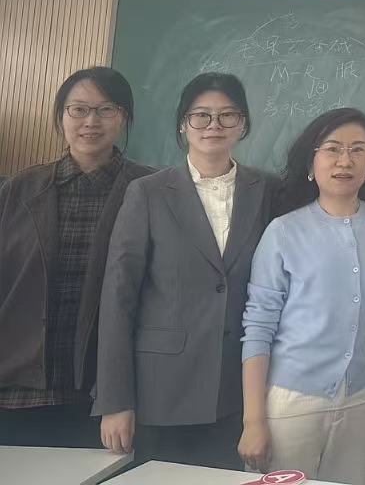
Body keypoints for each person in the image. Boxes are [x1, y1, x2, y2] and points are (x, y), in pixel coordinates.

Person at [95, 72, 273, 469]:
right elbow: (119, 297)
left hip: (236, 393)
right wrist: (115, 399)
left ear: (242, 124)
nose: (214, 125)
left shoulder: (267, 191)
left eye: (227, 115)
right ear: (183, 124)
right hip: (161, 391)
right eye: (201, 115)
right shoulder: (148, 192)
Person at [237, 108, 365, 485]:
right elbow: (258, 327)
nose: (345, 160)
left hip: (363, 397)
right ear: (311, 163)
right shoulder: (283, 231)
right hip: (292, 401)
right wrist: (253, 420)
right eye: (333, 149)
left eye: (358, 150)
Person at [0, 68, 153, 447]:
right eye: (78, 109)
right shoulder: (19, 188)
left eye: (105, 109)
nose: (90, 121)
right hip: (17, 386)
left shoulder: (150, 190)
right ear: (61, 116)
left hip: (104, 392)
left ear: (124, 117)